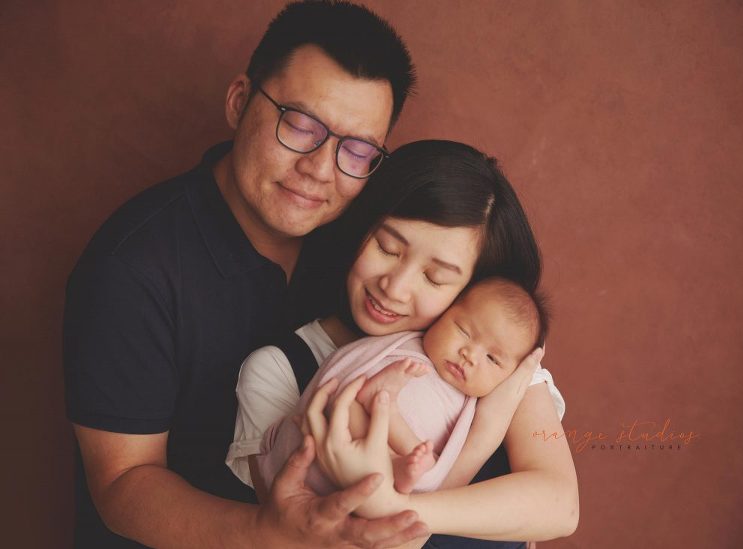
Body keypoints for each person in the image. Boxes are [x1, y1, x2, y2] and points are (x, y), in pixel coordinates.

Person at [62, 2, 426, 547]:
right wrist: (270, 532)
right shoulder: (132, 266)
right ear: (239, 102)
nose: (320, 170)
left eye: (356, 150)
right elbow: (121, 483)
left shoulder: (364, 249)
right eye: (301, 125)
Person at [226, 140, 576, 548]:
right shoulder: (281, 369)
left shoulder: (493, 362)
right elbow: (294, 536)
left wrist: (394, 505)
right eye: (387, 247)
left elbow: (560, 506)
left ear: (471, 290)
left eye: (435, 278)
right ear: (361, 228)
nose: (394, 288)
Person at [250, 277, 552, 500]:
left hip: (379, 473)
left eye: (492, 358)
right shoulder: (407, 347)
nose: (469, 355)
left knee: (426, 465)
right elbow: (343, 382)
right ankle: (384, 411)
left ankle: (393, 444)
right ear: (444, 312)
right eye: (463, 331)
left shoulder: (479, 408)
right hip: (341, 423)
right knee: (347, 407)